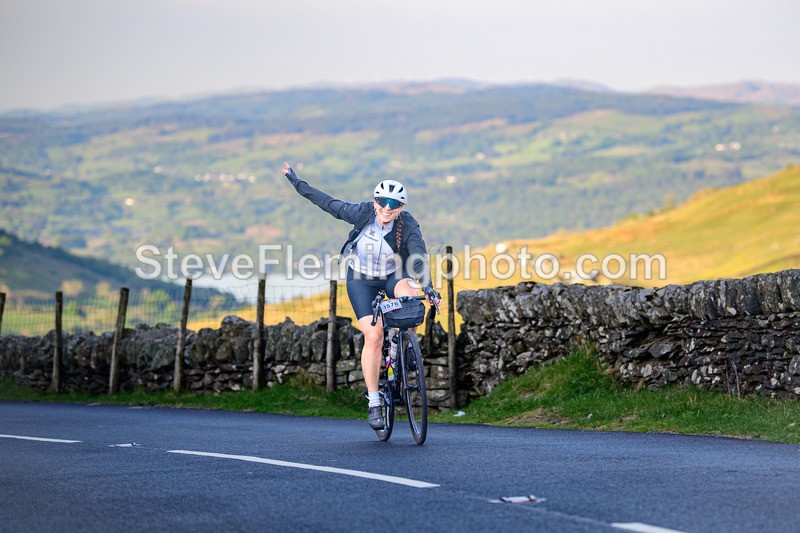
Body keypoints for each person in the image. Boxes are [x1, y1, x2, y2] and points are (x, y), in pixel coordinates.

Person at [281, 162, 441, 430]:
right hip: (361, 279)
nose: (387, 207)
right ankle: (375, 401)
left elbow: (418, 255)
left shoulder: (408, 223)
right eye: (382, 201)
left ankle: (403, 345)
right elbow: (327, 203)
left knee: (412, 298)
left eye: (394, 203)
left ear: (401, 207)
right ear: (375, 201)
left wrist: (428, 286)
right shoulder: (362, 213)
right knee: (374, 336)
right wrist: (295, 181)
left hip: (393, 275)